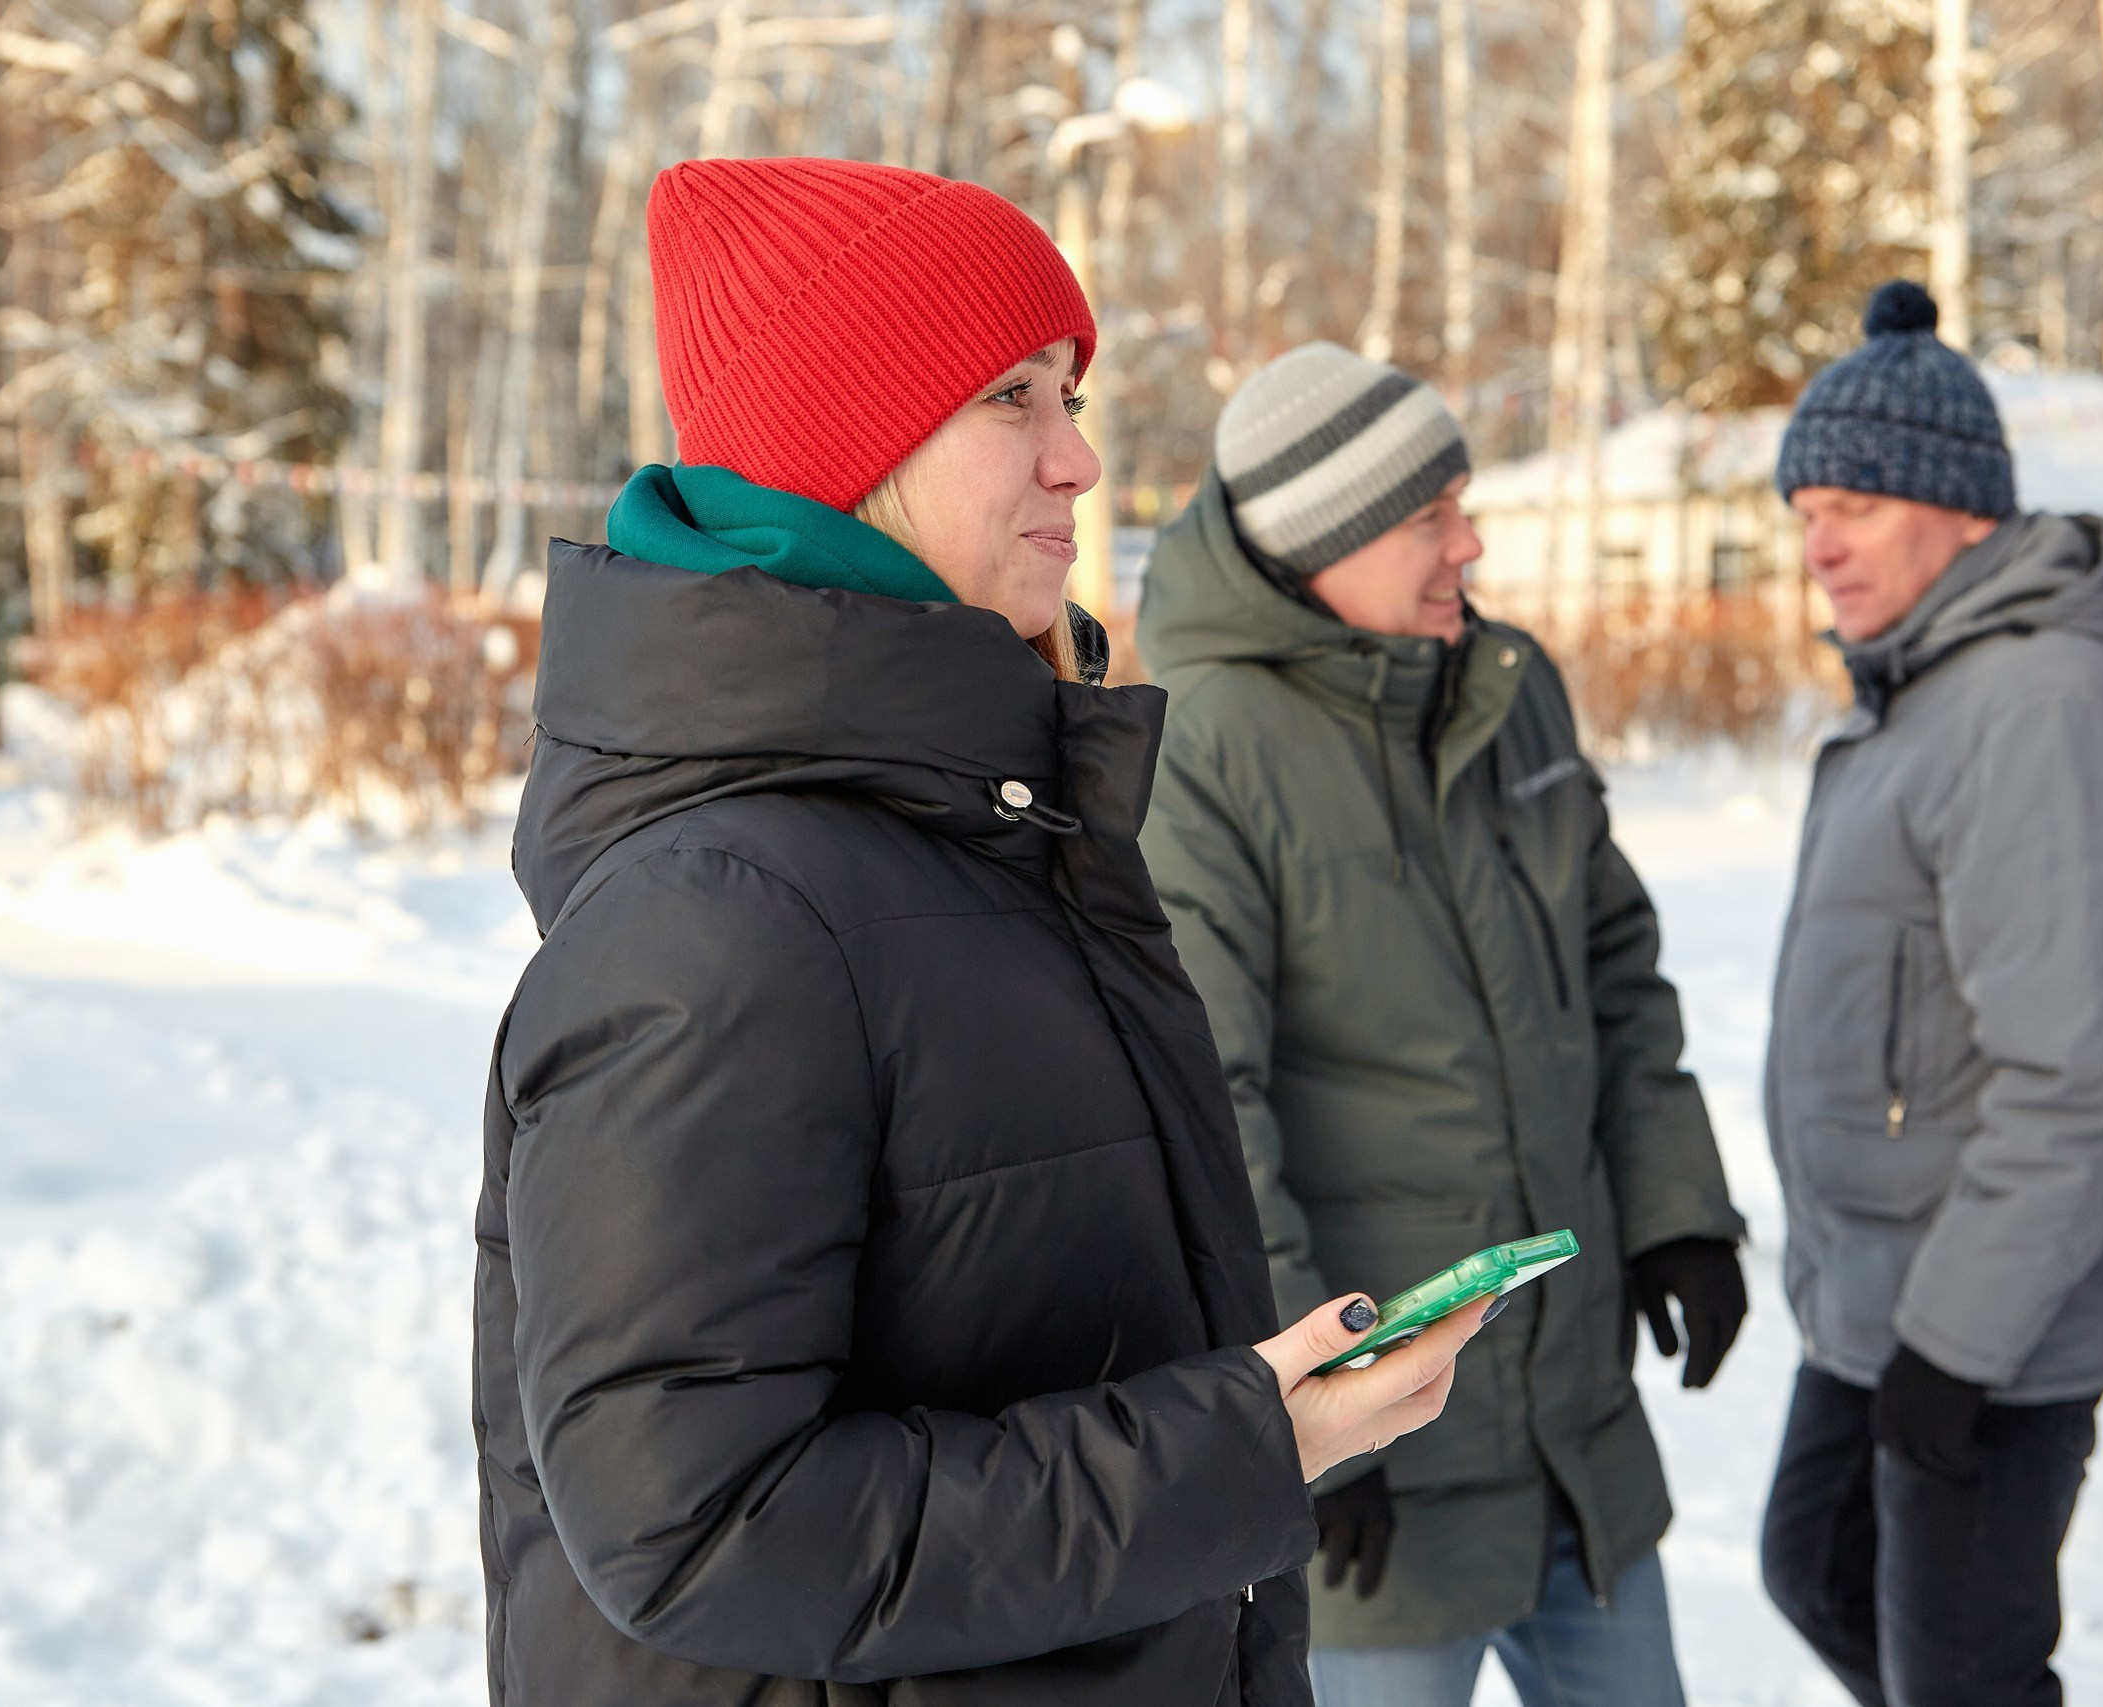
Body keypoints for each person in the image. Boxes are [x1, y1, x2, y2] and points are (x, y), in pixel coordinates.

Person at [472, 158, 1494, 1707]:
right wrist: (1242, 1451)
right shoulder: (724, 916)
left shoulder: (990, 821)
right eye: (1013, 399)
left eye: (1069, 394)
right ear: (851, 447)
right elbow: (697, 1528)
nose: (1079, 460)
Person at [1135, 341, 1750, 1707]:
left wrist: (1677, 1211)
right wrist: (1307, 1424)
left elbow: (1616, 968)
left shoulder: (1509, 685)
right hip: (1383, 1470)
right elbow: (1205, 1109)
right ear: (1320, 543)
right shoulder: (1208, 748)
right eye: (1430, 517)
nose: (1468, 543)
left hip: (1575, 1442)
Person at [1758, 280, 2103, 1707]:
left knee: (1965, 1678)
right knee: (1816, 1568)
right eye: (1805, 507)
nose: (1819, 544)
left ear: (1959, 506)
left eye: (1858, 506)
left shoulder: (2045, 703)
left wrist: (1954, 1348)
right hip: (1884, 1292)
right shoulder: (1923, 694)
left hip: (1985, 1317)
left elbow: (2081, 1085)